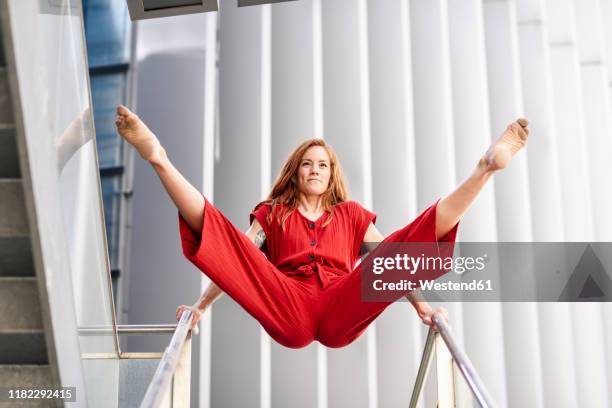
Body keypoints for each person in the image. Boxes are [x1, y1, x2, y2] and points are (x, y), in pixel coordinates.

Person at [115, 105, 529, 348]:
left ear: (332, 175)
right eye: (307, 164)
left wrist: (423, 308)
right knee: (234, 242)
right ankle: (159, 158)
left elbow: (391, 265)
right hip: (286, 302)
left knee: (399, 246)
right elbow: (235, 260)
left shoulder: (350, 214)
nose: (315, 170)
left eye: (323, 165)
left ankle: (485, 168)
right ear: (296, 173)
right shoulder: (273, 212)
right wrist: (200, 308)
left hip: (338, 303)